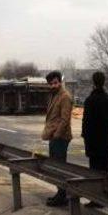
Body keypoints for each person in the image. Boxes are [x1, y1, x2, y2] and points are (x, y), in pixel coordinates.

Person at [82, 72, 108, 204]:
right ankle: (107, 195)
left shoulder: (90, 100)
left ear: (93, 83)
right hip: (107, 141)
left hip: (93, 142)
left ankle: (96, 198)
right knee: (107, 169)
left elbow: (86, 123)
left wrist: (86, 138)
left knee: (95, 171)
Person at [41, 71, 73, 207]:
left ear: (60, 81)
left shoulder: (64, 96)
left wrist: (56, 135)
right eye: (51, 83)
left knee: (59, 167)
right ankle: (60, 194)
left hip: (60, 137)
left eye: (55, 83)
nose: (53, 85)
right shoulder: (55, 95)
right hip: (54, 136)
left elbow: (65, 119)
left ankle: (62, 196)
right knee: (55, 167)